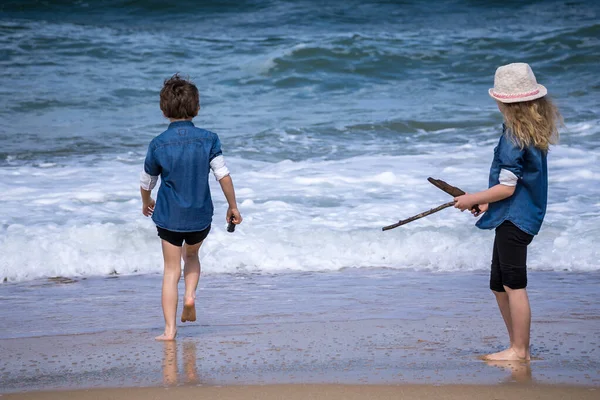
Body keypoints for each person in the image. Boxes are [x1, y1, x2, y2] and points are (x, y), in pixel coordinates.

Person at [454, 63, 562, 361]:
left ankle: (520, 350)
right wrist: (488, 203)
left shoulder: (513, 138)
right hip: (516, 214)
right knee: (498, 284)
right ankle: (516, 345)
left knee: (514, 284)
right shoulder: (529, 132)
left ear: (503, 102)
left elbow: (507, 187)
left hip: (516, 219)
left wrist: (472, 198)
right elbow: (519, 184)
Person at [140, 74, 242, 341]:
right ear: (196, 108)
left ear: (164, 111)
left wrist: (146, 201)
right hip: (199, 216)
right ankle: (190, 295)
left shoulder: (158, 144)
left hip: (169, 217)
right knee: (193, 257)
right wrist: (233, 206)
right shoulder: (208, 139)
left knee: (171, 270)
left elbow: (147, 181)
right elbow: (223, 175)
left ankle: (170, 330)